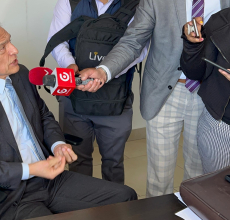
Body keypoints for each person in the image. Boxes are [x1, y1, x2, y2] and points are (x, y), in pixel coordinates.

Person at [0, 19, 137, 220]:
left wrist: (58, 144)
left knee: (125, 197)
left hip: (49, 179)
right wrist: (30, 169)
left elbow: (43, 116)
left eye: (10, 41)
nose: (14, 49)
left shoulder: (20, 75)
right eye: (3, 48)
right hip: (9, 196)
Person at [76, 0, 230, 197]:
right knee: (159, 176)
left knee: (198, 175)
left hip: (209, 92)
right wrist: (104, 71)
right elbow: (133, 40)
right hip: (163, 93)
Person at [46, 0, 148, 184]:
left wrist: (105, 73)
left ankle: (114, 207)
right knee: (77, 160)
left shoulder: (136, 5)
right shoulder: (70, 2)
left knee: (113, 162)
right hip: (74, 99)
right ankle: (82, 208)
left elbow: (138, 49)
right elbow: (56, 41)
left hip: (115, 101)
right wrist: (70, 66)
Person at [180, 8, 230, 173]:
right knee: (216, 193)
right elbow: (196, 72)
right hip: (220, 126)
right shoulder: (220, 20)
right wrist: (192, 45)